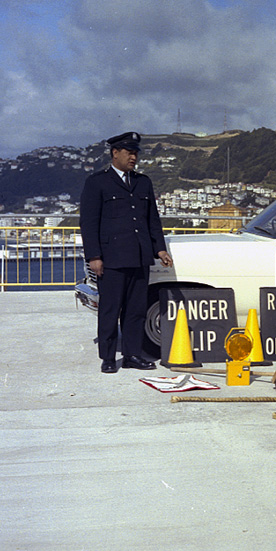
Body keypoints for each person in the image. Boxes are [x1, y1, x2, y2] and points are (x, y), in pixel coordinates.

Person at [79, 131, 173, 373]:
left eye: (136, 153)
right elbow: (88, 223)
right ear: (115, 153)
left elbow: (153, 219)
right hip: (112, 259)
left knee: (136, 310)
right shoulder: (97, 182)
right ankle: (109, 358)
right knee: (110, 309)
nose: (134, 157)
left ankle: (132, 355)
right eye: (129, 152)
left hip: (140, 256)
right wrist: (95, 257)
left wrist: (160, 249)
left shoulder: (143, 182)